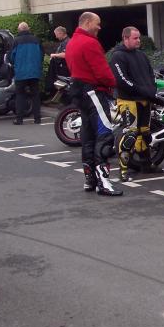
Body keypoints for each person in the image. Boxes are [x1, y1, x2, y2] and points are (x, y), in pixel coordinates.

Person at [65, 11, 122, 197]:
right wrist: (113, 83)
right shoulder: (90, 43)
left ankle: (90, 179)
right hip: (94, 91)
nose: (99, 27)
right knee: (104, 135)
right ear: (87, 22)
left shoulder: (72, 42)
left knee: (88, 137)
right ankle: (104, 182)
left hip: (79, 91)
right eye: (97, 23)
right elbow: (102, 72)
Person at [110, 26, 160, 182]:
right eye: (135, 38)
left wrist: (151, 90)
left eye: (139, 37)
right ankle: (123, 170)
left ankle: (147, 165)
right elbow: (122, 80)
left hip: (145, 100)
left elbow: (151, 75)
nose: (139, 40)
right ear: (125, 38)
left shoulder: (141, 55)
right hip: (128, 100)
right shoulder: (117, 56)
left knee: (144, 133)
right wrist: (142, 90)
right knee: (130, 134)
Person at [9, 21, 44, 125]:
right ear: (28, 29)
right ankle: (37, 119)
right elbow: (42, 55)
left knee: (20, 95)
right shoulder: (36, 40)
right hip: (34, 72)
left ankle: (19, 119)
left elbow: (11, 57)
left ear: (19, 30)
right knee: (35, 95)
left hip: (21, 73)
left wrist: (14, 64)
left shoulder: (16, 41)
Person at [45, 26, 70, 96]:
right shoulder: (64, 42)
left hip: (65, 67)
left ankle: (66, 100)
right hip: (63, 67)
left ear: (61, 33)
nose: (56, 37)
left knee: (64, 84)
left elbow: (66, 54)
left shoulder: (66, 42)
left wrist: (54, 55)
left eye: (56, 35)